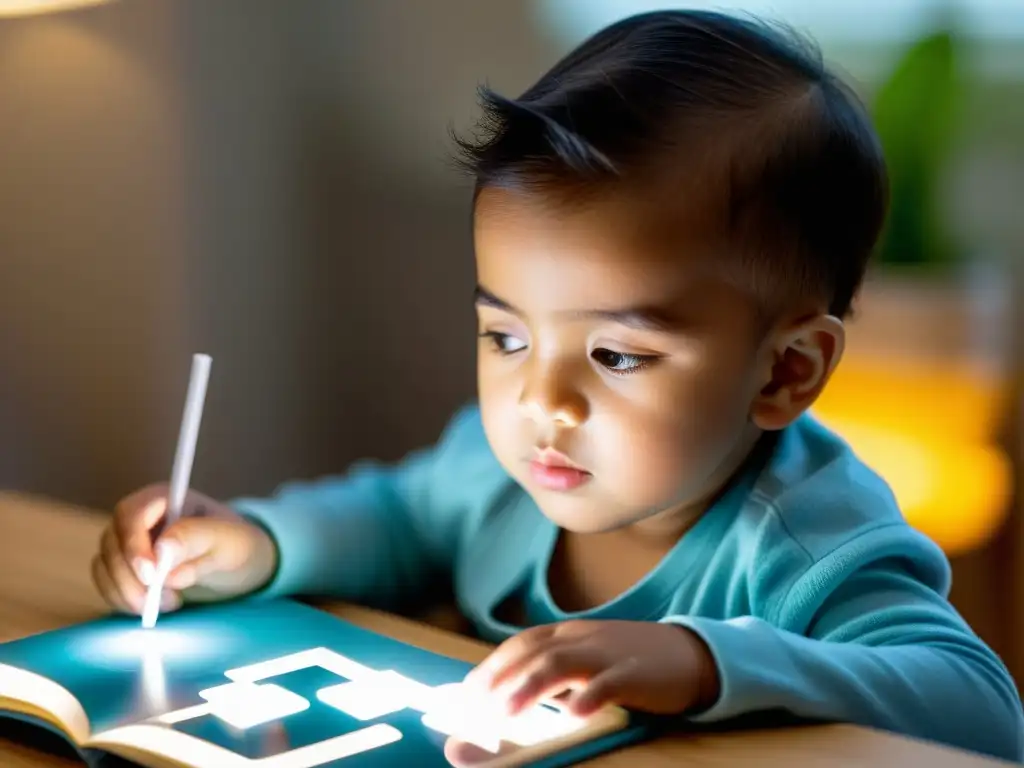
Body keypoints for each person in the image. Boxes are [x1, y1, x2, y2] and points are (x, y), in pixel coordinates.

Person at [91, 9, 1023, 761]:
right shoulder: (501, 469)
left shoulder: (805, 540)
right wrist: (255, 546)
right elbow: (398, 518)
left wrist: (701, 660)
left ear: (785, 371)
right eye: (505, 334)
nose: (543, 402)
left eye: (615, 356)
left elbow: (982, 710)